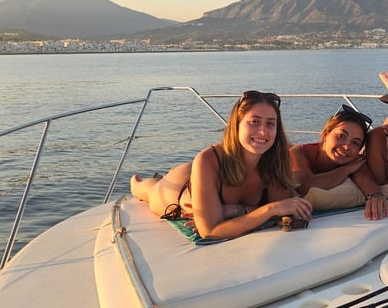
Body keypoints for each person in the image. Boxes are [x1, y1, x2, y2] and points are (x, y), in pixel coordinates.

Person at [130, 90, 312, 239]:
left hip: (202, 176)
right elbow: (210, 231)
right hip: (178, 190)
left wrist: (236, 210)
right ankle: (136, 182)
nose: (263, 131)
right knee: (148, 191)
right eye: (254, 121)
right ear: (237, 125)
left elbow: (282, 208)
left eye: (270, 123)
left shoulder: (275, 161)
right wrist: (268, 209)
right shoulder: (208, 159)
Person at [289, 104, 388, 220]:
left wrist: (376, 196)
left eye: (355, 143)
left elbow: (366, 179)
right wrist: (346, 170)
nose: (347, 146)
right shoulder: (298, 153)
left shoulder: (353, 161)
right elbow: (305, 186)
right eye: (341, 136)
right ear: (326, 135)